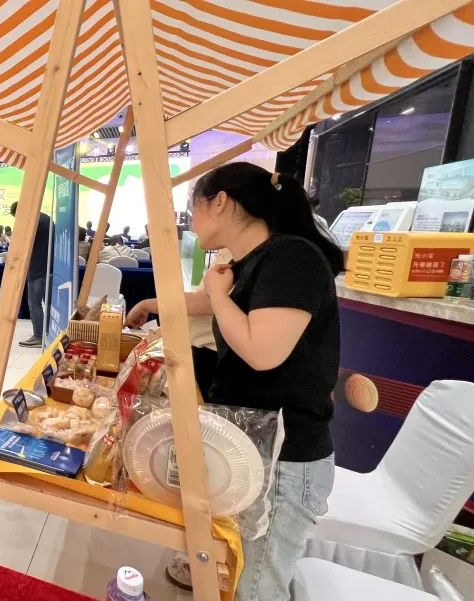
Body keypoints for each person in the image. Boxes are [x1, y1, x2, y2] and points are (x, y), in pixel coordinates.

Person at [126, 162, 343, 601]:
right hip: (254, 450)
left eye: (194, 208)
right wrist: (153, 303)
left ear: (220, 202)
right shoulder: (253, 261)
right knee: (239, 570)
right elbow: (213, 304)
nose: (191, 221)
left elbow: (261, 351)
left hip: (285, 461)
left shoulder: (292, 258)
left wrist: (217, 294)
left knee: (257, 587)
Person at [10, 202, 52, 348]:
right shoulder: (46, 219)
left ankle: (39, 336)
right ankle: (48, 333)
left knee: (34, 303)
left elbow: (22, 245)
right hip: (50, 267)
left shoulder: (32, 221)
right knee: (48, 304)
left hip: (37, 269)